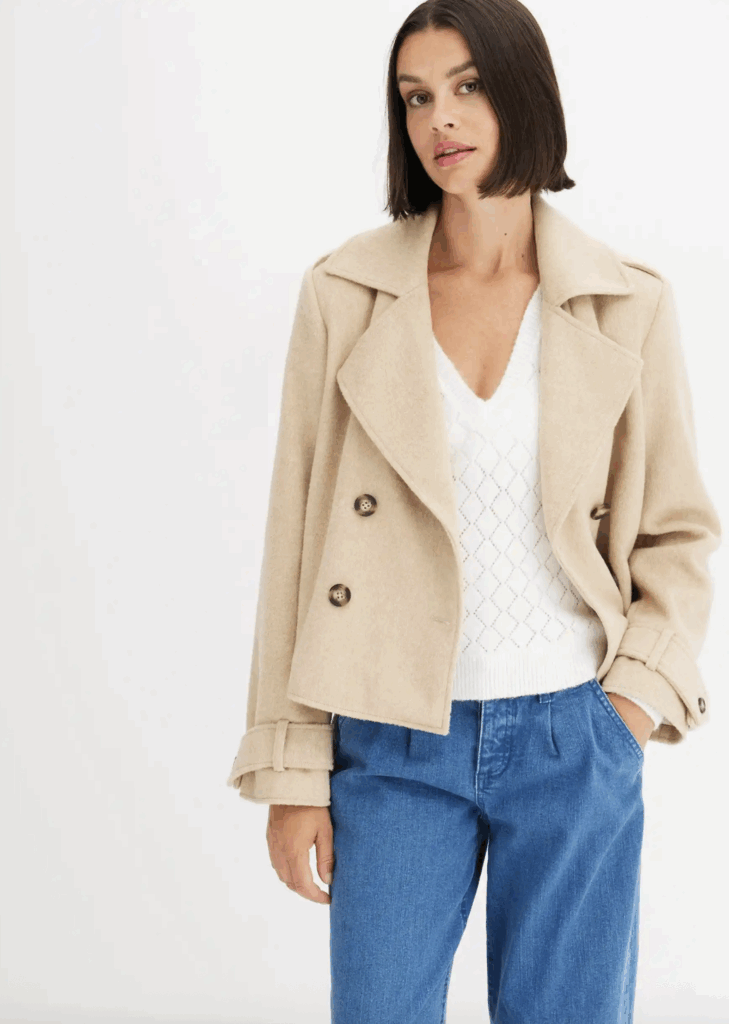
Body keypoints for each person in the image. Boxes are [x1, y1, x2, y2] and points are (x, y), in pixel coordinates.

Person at [228, 1, 722, 1020]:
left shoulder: (627, 302)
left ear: (523, 92)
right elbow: (296, 542)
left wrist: (626, 710)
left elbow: (677, 534)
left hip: (574, 736)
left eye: (467, 86)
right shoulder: (346, 295)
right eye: (415, 98)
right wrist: (294, 769)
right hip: (391, 739)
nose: (439, 119)